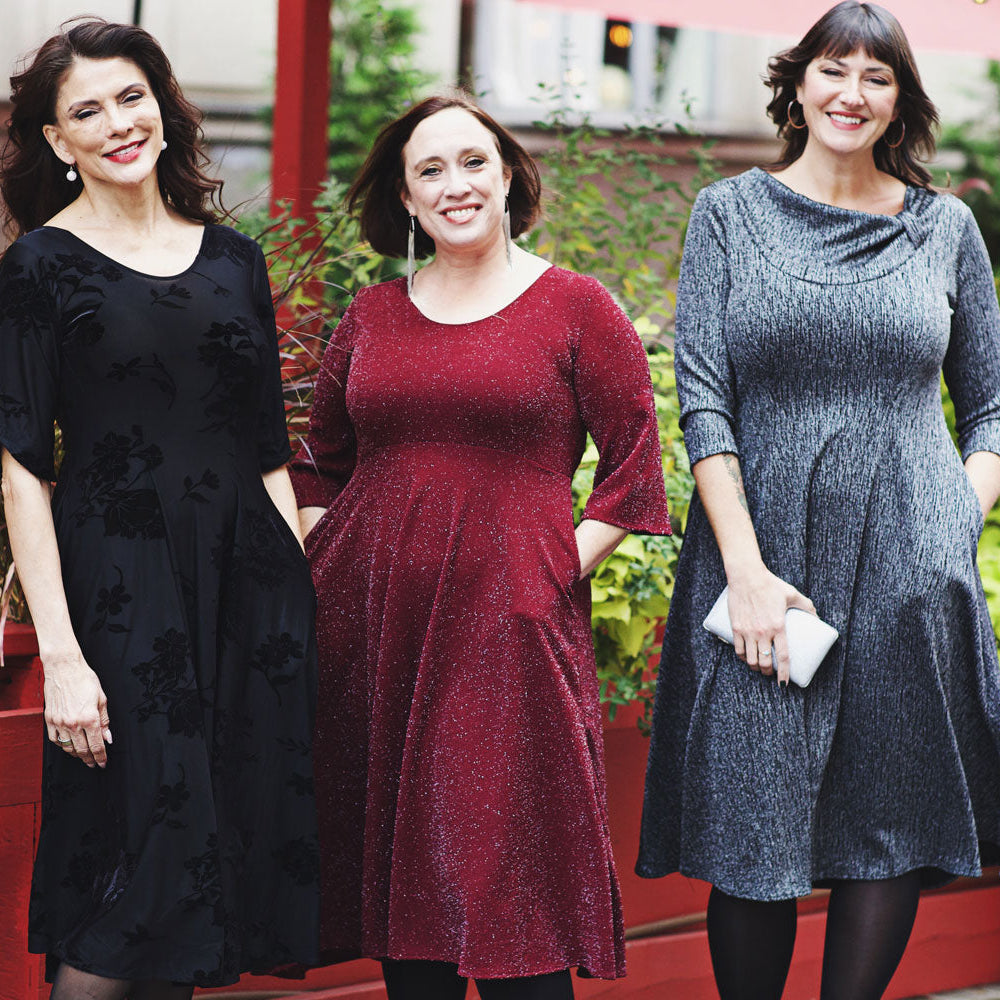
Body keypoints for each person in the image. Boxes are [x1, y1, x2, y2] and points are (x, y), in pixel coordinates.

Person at [637, 3, 1000, 998]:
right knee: (751, 823)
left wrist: (949, 524)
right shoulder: (727, 212)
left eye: (875, 78)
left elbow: (992, 405)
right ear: (797, 84)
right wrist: (745, 574)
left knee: (883, 825)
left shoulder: (945, 228)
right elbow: (702, 402)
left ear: (899, 100)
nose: (851, 94)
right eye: (833, 71)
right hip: (762, 564)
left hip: (908, 568)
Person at [288, 92, 671, 999]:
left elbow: (634, 469)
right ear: (406, 202)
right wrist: (333, 573)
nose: (454, 184)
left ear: (507, 177)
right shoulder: (373, 315)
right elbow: (319, 462)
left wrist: (546, 573)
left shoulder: (576, 307)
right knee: (404, 887)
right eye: (430, 170)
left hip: (508, 639)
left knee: (511, 892)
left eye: (472, 162)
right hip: (379, 636)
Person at [0, 18, 319, 999]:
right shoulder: (39, 269)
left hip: (247, 594)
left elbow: (267, 449)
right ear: (58, 143)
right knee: (134, 867)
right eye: (85, 111)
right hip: (120, 594)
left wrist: (293, 609)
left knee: (196, 888)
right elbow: (18, 465)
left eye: (130, 96)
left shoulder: (235, 261)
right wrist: (58, 652)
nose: (116, 122)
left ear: (162, 106)